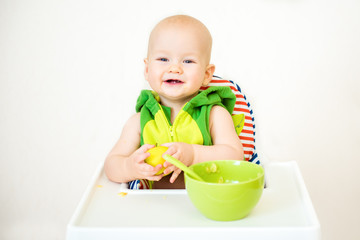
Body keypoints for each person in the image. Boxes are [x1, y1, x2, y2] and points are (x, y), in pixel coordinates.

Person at [104, 15, 244, 189]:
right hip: (153, 208)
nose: (174, 68)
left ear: (207, 74)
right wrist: (130, 167)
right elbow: (111, 165)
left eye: (188, 61)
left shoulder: (214, 114)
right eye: (163, 59)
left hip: (207, 205)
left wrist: (193, 154)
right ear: (147, 70)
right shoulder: (139, 121)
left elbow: (236, 156)